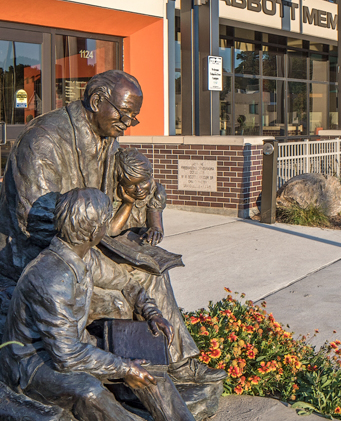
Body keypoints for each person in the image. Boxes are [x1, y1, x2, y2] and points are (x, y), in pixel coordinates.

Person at [0, 70, 220, 385]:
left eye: (134, 117)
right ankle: (139, 370)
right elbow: (35, 219)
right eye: (125, 114)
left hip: (87, 241)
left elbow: (126, 194)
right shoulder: (43, 140)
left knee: (150, 267)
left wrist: (135, 209)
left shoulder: (108, 138)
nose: (129, 123)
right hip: (41, 253)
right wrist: (99, 240)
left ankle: (177, 363)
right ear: (96, 101)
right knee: (125, 290)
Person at [0, 187, 195, 421]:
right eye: (105, 222)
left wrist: (151, 312)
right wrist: (124, 368)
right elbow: (66, 356)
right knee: (90, 392)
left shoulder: (85, 255)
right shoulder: (51, 278)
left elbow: (127, 283)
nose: (107, 227)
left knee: (147, 362)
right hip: (31, 364)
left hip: (74, 345)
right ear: (94, 231)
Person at [110, 148, 166, 244]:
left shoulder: (156, 192)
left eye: (143, 182)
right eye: (130, 185)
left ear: (150, 177)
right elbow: (112, 231)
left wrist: (155, 232)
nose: (139, 189)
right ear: (121, 184)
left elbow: (156, 227)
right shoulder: (113, 196)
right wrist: (128, 204)